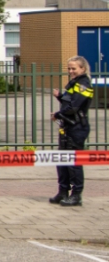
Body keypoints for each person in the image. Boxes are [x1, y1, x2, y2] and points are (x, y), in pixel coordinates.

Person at [50, 56, 94, 206]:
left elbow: (74, 107)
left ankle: (76, 195)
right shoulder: (74, 84)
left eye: (74, 68)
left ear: (82, 69)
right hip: (68, 126)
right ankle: (62, 192)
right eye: (69, 68)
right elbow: (69, 102)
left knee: (74, 162)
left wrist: (57, 114)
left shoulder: (84, 84)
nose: (70, 71)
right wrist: (60, 97)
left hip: (77, 127)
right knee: (62, 160)